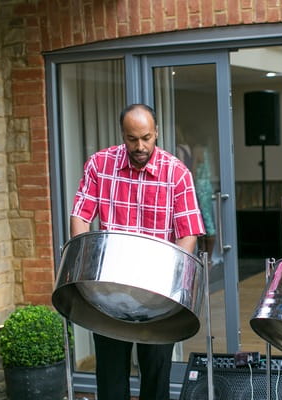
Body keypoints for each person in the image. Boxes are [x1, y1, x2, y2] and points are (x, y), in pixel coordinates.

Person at [70, 103, 205, 400]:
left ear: (156, 132)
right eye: (132, 139)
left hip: (156, 293)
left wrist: (173, 284)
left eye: (146, 137)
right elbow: (80, 215)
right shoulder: (100, 164)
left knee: (156, 377)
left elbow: (189, 232)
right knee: (111, 377)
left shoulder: (177, 173)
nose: (140, 146)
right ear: (123, 135)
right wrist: (84, 267)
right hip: (110, 289)